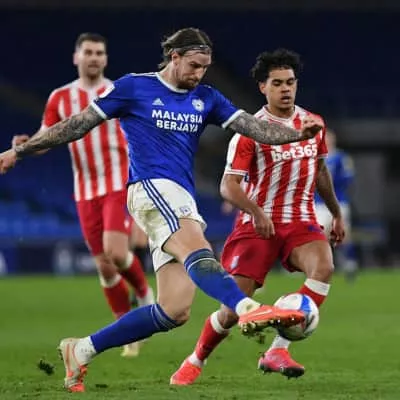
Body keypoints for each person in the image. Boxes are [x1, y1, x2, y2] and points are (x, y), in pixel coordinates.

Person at [0, 29, 323, 393]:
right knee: (198, 248)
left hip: (179, 196)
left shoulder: (206, 98)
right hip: (149, 188)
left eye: (205, 67)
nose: (199, 73)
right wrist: (19, 152)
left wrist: (298, 134)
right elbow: (75, 126)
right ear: (174, 57)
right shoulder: (134, 87)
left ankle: (82, 350)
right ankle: (247, 307)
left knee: (174, 310)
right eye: (194, 65)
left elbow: (255, 128)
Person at [170, 48, 345, 385]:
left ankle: (277, 350)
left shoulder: (314, 123)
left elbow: (320, 170)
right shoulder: (250, 131)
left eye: (290, 82)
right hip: (257, 227)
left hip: (300, 221)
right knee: (232, 310)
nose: (285, 89)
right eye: (277, 83)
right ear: (263, 87)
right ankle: (196, 359)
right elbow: (228, 186)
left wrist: (336, 213)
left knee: (323, 267)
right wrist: (255, 211)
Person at [12, 32, 155, 357]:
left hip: (118, 183)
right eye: (88, 52)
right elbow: (46, 139)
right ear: (76, 57)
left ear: (105, 59)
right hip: (85, 191)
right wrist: (25, 146)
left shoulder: (119, 91)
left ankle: (145, 295)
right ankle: (127, 332)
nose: (94, 57)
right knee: (104, 267)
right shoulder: (60, 97)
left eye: (99, 53)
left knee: (115, 252)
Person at [315, 129, 358, 281]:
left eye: (329, 138)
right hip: (319, 204)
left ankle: (350, 263)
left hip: (339, 202)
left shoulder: (341, 157)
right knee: (318, 235)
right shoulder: (315, 157)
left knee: (343, 235)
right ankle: (319, 266)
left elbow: (348, 177)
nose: (327, 141)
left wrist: (331, 180)